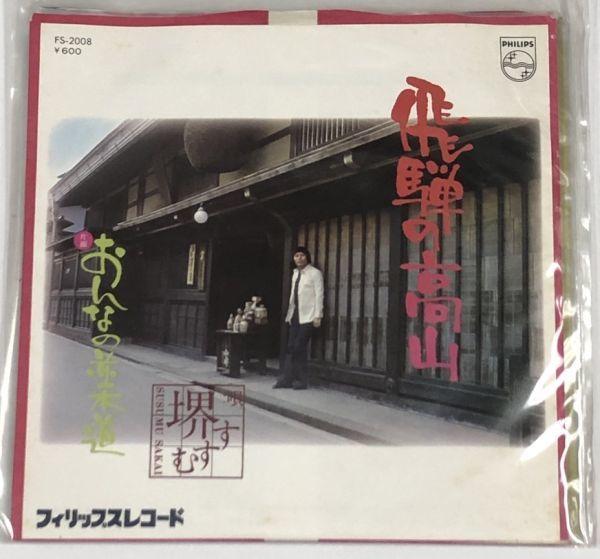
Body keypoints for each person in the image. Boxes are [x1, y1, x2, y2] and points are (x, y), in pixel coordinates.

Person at [273, 246, 324, 390]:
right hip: (295, 315)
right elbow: (293, 296)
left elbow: (319, 295)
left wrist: (318, 315)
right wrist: (290, 314)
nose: (299, 258)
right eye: (296, 256)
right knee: (290, 347)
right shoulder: (295, 273)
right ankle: (287, 379)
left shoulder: (315, 273)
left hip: (309, 316)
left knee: (299, 346)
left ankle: (300, 380)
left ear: (307, 257)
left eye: (302, 255)